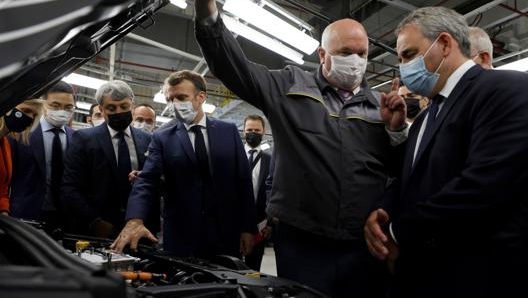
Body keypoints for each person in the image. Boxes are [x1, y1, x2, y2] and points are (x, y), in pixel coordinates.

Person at [194, 1, 406, 297]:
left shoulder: (380, 106)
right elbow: (234, 67)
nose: (355, 61)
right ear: (323, 54)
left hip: (361, 244)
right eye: (345, 53)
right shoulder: (289, 87)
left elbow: (400, 172)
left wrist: (397, 130)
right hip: (303, 242)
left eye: (362, 54)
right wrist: (208, 14)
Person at [364, 7, 528, 298]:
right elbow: (410, 179)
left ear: (444, 43)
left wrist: (398, 233)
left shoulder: (507, 90)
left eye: (408, 54)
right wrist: (384, 210)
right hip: (421, 273)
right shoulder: (426, 117)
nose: (402, 67)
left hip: (475, 276)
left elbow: (484, 187)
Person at [111, 70, 257, 259]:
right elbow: (147, 181)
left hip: (225, 232)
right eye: (170, 99)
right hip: (181, 235)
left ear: (201, 97)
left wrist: (248, 228)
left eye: (181, 97)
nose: (175, 105)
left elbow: (243, 181)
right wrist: (134, 219)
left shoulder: (227, 131)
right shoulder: (162, 137)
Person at [61, 80, 158, 238]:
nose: (119, 112)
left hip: (140, 229)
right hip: (98, 230)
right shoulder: (84, 139)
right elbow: (70, 188)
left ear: (132, 105)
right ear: (101, 109)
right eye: (111, 108)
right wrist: (95, 222)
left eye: (124, 107)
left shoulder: (148, 140)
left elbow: (154, 182)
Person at [9, 81, 76, 229]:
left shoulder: (77, 138)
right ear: (43, 104)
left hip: (65, 218)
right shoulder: (22, 133)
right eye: (55, 105)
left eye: (68, 107)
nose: (62, 111)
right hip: (25, 215)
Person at [0, 99, 43, 215]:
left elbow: (2, 189)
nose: (30, 118)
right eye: (26, 110)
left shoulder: (5, 144)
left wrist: (4, 211)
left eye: (34, 115)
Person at [242, 114, 272, 271]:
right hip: (234, 223)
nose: (253, 133)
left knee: (253, 270)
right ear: (243, 132)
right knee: (231, 266)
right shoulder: (234, 155)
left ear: (264, 132)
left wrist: (270, 222)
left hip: (259, 225)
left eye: (257, 130)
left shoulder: (270, 160)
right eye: (249, 130)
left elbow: (274, 191)